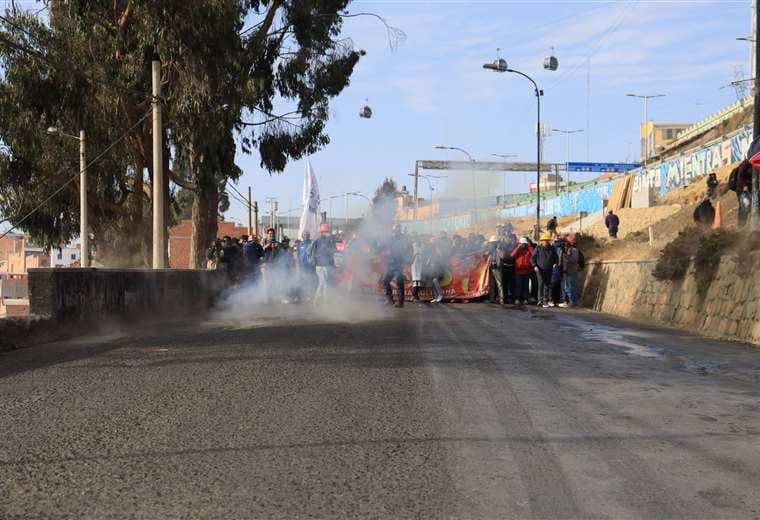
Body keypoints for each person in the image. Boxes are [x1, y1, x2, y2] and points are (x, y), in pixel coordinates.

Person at [383, 224, 410, 307]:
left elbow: (404, 250)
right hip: (391, 264)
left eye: (396, 230)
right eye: (393, 230)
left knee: (399, 282)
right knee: (386, 281)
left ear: (399, 230)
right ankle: (390, 300)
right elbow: (386, 247)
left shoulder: (402, 238)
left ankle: (400, 302)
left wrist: (391, 253)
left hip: (398, 264)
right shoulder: (391, 238)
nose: (394, 231)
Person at [310, 223, 336, 304]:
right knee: (325, 284)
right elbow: (331, 253)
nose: (328, 233)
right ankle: (325, 302)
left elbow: (311, 252)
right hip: (323, 265)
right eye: (327, 231)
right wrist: (332, 264)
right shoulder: (328, 241)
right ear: (323, 232)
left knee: (322, 283)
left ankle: (316, 301)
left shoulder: (317, 240)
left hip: (319, 265)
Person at [530, 232, 558, 307]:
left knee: (547, 285)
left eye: (547, 240)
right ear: (541, 241)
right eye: (544, 240)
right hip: (540, 270)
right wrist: (534, 266)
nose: (546, 242)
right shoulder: (538, 248)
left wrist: (555, 263)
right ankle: (540, 300)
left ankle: (545, 301)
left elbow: (556, 257)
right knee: (541, 284)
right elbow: (532, 258)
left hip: (549, 270)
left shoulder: (552, 249)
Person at [558, 235, 580, 307]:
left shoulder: (574, 250)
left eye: (566, 242)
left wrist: (566, 256)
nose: (565, 243)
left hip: (572, 271)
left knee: (571, 286)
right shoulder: (567, 250)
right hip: (567, 270)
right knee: (566, 287)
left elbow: (575, 260)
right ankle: (570, 301)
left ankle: (573, 301)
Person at [511, 236, 533, 305]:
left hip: (526, 271)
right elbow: (512, 255)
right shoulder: (518, 250)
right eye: (522, 243)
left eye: (524, 243)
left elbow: (534, 253)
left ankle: (525, 299)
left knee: (525, 286)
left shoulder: (528, 250)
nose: (523, 245)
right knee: (518, 285)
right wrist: (518, 247)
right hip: (518, 271)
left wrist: (529, 246)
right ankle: (517, 298)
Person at [485, 236, 505, 304]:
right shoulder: (490, 250)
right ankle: (492, 298)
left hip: (497, 268)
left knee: (499, 284)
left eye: (494, 243)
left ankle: (501, 298)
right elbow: (485, 254)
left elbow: (502, 256)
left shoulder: (500, 249)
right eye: (492, 243)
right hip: (491, 268)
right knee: (491, 284)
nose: (493, 244)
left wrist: (498, 249)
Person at [297, 231, 316, 301]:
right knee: (303, 281)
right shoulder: (300, 244)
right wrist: (298, 264)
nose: (306, 236)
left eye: (307, 235)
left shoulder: (312, 243)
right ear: (302, 236)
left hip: (310, 266)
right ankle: (303, 296)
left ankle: (310, 296)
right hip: (302, 266)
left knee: (310, 281)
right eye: (305, 235)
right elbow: (298, 255)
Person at [411, 237, 425, 302]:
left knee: (418, 279)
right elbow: (410, 253)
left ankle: (415, 295)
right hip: (415, 261)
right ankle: (414, 295)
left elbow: (424, 253)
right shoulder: (413, 244)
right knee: (416, 279)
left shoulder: (423, 245)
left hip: (421, 261)